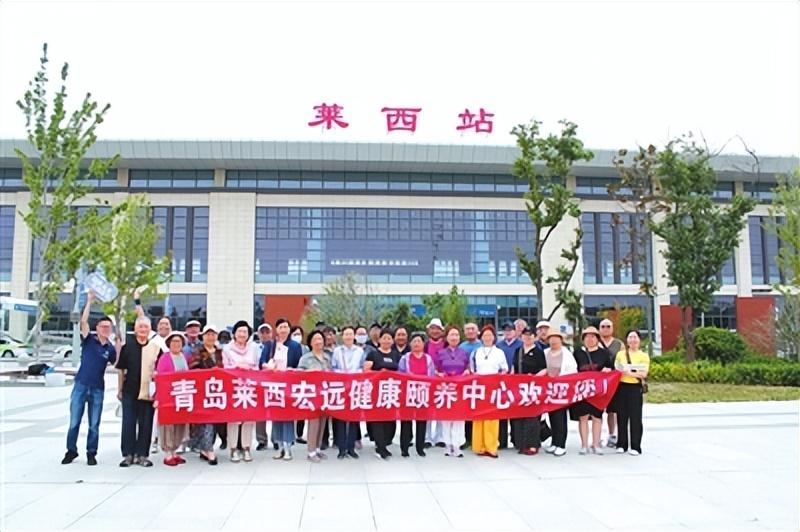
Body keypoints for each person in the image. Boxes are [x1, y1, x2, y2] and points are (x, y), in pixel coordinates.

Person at [62, 290, 117, 466]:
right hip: (81, 385)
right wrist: (89, 301)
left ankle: (91, 453)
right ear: (97, 328)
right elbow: (83, 322)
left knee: (94, 424)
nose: (105, 329)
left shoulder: (110, 348)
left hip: (98, 388)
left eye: (108, 327)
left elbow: (116, 363)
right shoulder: (89, 340)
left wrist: (120, 346)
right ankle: (71, 451)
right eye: (103, 327)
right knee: (74, 421)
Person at [116, 315, 161, 468]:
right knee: (128, 423)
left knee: (146, 424)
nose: (143, 329)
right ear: (135, 329)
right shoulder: (127, 347)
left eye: (146, 327)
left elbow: (161, 370)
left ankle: (142, 455)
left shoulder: (155, 348)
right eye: (140, 326)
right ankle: (128, 454)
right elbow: (121, 370)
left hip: (148, 392)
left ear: (150, 329)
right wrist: (119, 389)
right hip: (130, 390)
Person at [261, 318, 300, 460]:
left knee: (288, 416)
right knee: (276, 415)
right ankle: (279, 445)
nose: (283, 329)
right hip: (273, 385)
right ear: (276, 330)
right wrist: (268, 366)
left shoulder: (295, 346)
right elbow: (262, 362)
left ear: (289, 329)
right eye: (281, 327)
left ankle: (288, 446)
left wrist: (291, 370)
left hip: (289, 385)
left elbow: (299, 365)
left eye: (286, 327)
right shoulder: (270, 345)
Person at [570, 327, 613, 455]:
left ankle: (596, 444)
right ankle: (584, 445)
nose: (590, 339)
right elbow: (572, 370)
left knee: (597, 417)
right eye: (587, 337)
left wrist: (607, 371)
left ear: (597, 339)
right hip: (582, 390)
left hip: (598, 391)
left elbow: (611, 369)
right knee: (583, 417)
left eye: (593, 336)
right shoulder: (578, 353)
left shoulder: (604, 353)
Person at [222, 320, 260, 463]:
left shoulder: (254, 348)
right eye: (239, 331)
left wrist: (249, 369)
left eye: (245, 332)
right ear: (234, 333)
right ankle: (233, 449)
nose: (242, 334)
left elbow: (256, 366)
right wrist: (238, 367)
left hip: (249, 387)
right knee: (233, 418)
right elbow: (225, 368)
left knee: (248, 418)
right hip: (233, 387)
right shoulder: (227, 349)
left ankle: (246, 447)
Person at [538, 330, 577, 457]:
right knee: (551, 416)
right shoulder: (545, 353)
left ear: (561, 340)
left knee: (560, 417)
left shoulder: (567, 354)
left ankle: (561, 444)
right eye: (551, 338)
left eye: (556, 338)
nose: (553, 341)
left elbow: (572, 371)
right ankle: (554, 442)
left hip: (562, 389)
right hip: (548, 389)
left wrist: (561, 378)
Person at [471, 325, 508, 458]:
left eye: (490, 335)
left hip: (493, 388)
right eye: (485, 335)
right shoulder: (476, 352)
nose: (487, 338)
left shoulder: (499, 352)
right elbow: (472, 370)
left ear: (494, 337)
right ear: (481, 337)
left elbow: (505, 369)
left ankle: (491, 447)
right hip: (479, 388)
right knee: (479, 417)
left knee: (492, 418)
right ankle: (479, 447)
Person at [433, 326, 470, 457]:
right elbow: (435, 369)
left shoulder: (464, 353)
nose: (454, 337)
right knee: (446, 418)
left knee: (459, 418)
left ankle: (457, 445)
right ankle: (448, 445)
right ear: (447, 337)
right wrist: (439, 374)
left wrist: (467, 372)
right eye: (452, 335)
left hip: (460, 389)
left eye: (456, 335)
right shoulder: (441, 353)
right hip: (445, 389)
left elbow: (468, 368)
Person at [155, 332, 191, 466]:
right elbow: (160, 379)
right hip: (167, 396)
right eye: (174, 341)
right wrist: (158, 397)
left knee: (179, 423)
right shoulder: (164, 358)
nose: (176, 344)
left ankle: (175, 450)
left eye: (179, 342)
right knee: (168, 425)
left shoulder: (184, 357)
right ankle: (168, 452)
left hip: (181, 396)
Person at [297, 329, 332, 463]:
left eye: (320, 339)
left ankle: (317, 448)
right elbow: (298, 374)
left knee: (323, 421)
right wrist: (310, 372)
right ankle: (311, 452)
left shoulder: (327, 358)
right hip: (311, 395)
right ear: (310, 342)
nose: (318, 342)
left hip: (324, 394)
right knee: (314, 422)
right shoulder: (306, 358)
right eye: (315, 339)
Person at [187, 324, 220, 465]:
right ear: (203, 336)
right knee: (206, 421)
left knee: (215, 421)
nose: (211, 337)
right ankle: (208, 449)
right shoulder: (198, 352)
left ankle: (205, 448)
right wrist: (208, 372)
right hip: (202, 392)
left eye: (213, 334)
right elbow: (192, 369)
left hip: (217, 392)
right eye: (208, 334)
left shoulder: (219, 352)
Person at [331, 326, 366, 459]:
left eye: (351, 334)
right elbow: (333, 368)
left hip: (355, 387)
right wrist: (343, 374)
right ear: (342, 336)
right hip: (341, 387)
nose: (348, 336)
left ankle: (351, 447)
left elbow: (362, 368)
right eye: (346, 334)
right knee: (340, 418)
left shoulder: (360, 351)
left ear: (354, 336)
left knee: (353, 418)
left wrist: (354, 374)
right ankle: (341, 448)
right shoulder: (337, 351)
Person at [398, 333, 435, 457]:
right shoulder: (405, 358)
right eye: (414, 341)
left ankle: (420, 447)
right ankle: (404, 448)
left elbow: (431, 375)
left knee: (422, 421)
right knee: (406, 421)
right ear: (410, 344)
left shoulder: (428, 359)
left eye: (419, 341)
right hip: (408, 392)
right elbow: (401, 374)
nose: (417, 344)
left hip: (423, 392)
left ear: (423, 344)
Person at [367, 327, 401, 459]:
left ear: (392, 341)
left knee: (390, 420)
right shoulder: (373, 354)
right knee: (378, 419)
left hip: (392, 392)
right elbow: (366, 371)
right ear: (379, 339)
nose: (386, 340)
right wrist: (379, 374)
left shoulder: (396, 355)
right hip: (376, 391)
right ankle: (380, 446)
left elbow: (401, 372)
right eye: (384, 338)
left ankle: (386, 443)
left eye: (389, 338)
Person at [614, 330, 650, 456]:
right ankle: (621, 444)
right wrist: (631, 371)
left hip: (635, 388)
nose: (632, 340)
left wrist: (628, 372)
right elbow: (617, 369)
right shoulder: (620, 354)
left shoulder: (643, 356)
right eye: (630, 337)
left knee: (635, 417)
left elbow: (643, 374)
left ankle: (636, 446)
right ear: (627, 340)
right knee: (621, 416)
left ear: (639, 340)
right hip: (621, 387)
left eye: (635, 337)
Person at [511, 327, 543, 456]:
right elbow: (514, 368)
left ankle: (533, 444)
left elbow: (544, 369)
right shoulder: (518, 351)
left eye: (530, 335)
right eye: (525, 335)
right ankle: (520, 443)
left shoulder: (538, 352)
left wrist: (534, 377)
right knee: (519, 415)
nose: (528, 337)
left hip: (533, 388)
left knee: (532, 416)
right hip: (519, 388)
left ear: (535, 337)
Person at [496, 321, 522, 449]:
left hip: (516, 382)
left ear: (515, 331)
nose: (508, 332)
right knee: (501, 411)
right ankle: (502, 441)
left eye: (510, 330)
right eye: (505, 330)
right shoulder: (498, 345)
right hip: (501, 383)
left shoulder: (520, 345)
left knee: (515, 411)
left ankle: (516, 439)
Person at [599, 318, 625, 449]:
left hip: (614, 381)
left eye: (608, 326)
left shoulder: (619, 344)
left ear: (612, 328)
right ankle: (597, 437)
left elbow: (623, 361)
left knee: (612, 410)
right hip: (598, 382)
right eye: (603, 326)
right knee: (597, 410)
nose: (605, 329)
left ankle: (611, 435)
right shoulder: (595, 342)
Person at [423, 318, 446, 448]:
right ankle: (427, 437)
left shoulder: (446, 344)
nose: (435, 331)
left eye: (437, 328)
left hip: (443, 381)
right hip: (428, 381)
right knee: (427, 409)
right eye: (432, 328)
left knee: (441, 408)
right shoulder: (425, 345)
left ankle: (440, 437)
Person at [459, 322, 482, 447]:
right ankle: (467, 439)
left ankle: (478, 439)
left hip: (481, 384)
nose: (470, 331)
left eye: (472, 329)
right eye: (467, 329)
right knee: (467, 412)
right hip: (466, 384)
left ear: (477, 331)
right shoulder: (461, 347)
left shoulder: (483, 345)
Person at [289, 324, 310, 444]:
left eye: (299, 334)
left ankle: (299, 434)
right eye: (295, 334)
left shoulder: (305, 348)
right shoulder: (288, 347)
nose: (297, 336)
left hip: (303, 381)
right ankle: (290, 435)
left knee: (302, 407)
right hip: (291, 380)